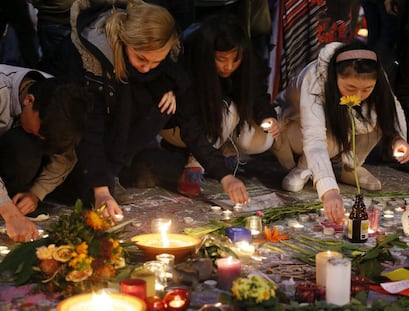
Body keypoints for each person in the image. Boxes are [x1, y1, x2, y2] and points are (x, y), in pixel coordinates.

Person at [59, 0, 249, 221]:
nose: (147, 67)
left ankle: (113, 173)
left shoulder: (168, 71)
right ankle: (95, 179)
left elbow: (191, 128)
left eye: (157, 61)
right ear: (126, 42)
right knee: (86, 191)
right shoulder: (93, 60)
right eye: (141, 58)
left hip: (118, 128)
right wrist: (100, 190)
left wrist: (224, 175)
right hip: (71, 123)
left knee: (164, 105)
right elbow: (90, 128)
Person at [276, 40, 409, 224]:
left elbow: (390, 107)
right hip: (293, 130)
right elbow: (314, 139)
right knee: (324, 141)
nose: (359, 95)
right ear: (335, 76)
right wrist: (329, 191)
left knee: (373, 114)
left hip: (334, 129)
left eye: (367, 89)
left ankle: (351, 166)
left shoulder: (375, 73)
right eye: (351, 88)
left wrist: (398, 139)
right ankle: (303, 166)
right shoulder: (314, 78)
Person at [159, 13, 280, 197]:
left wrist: (267, 116)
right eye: (221, 60)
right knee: (226, 109)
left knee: (263, 139)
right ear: (209, 55)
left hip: (220, 125)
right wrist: (224, 176)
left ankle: (225, 149)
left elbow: (256, 92)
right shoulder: (191, 66)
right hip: (179, 129)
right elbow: (191, 127)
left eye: (235, 60)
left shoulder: (247, 62)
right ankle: (194, 166)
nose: (229, 67)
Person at [0, 64, 91, 242]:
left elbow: (64, 156)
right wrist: (10, 213)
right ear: (29, 101)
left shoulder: (62, 101)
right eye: (40, 133)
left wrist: (36, 193)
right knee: (21, 144)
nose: (42, 139)